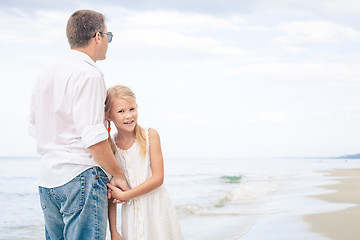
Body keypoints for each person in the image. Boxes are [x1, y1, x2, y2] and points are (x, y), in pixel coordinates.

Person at [29, 10, 129, 240]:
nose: (107, 42)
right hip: (80, 176)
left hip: (47, 179)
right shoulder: (89, 74)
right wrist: (118, 174)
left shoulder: (45, 73)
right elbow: (93, 137)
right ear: (97, 37)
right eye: (108, 36)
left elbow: (35, 127)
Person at [104, 85, 184, 240]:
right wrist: (114, 230)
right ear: (109, 116)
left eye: (132, 109)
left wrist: (126, 194)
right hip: (131, 215)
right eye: (121, 111)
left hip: (157, 210)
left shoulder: (150, 136)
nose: (128, 116)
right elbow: (112, 192)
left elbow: (158, 178)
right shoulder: (110, 146)